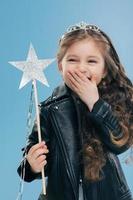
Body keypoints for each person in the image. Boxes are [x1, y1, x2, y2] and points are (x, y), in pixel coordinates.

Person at [17, 22, 133, 200]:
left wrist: (96, 104)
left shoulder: (111, 101)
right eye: (72, 60)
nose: (81, 68)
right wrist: (32, 165)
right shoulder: (49, 109)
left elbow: (120, 143)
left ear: (104, 70)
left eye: (92, 61)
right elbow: (34, 156)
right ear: (60, 66)